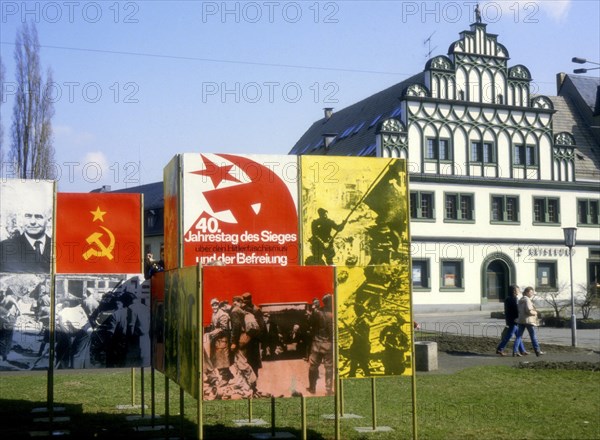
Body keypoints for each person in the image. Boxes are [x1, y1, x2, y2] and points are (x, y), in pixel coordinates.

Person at [0, 208, 52, 273]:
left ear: (49, 220)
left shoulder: (58, 247)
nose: (32, 222)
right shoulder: (3, 248)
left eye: (38, 217)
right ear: (22, 220)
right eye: (28, 216)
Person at [307, 293, 334, 395]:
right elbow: (332, 332)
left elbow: (309, 324)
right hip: (328, 344)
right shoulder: (332, 315)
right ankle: (328, 389)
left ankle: (312, 388)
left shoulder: (317, 313)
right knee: (329, 367)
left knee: (313, 366)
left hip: (317, 344)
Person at [513, 287, 545, 357]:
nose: (532, 294)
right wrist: (535, 313)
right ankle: (537, 350)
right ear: (527, 292)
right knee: (533, 336)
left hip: (521, 320)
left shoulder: (521, 299)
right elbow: (528, 310)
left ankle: (515, 351)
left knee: (518, 336)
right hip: (528, 321)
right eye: (531, 292)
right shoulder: (527, 300)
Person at [496, 285, 527, 356]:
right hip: (514, 320)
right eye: (517, 289)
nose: (519, 290)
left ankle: (522, 350)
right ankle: (500, 348)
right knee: (509, 335)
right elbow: (515, 310)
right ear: (514, 291)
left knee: (518, 335)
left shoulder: (508, 298)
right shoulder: (514, 298)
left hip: (510, 319)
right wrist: (518, 317)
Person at [241, 292, 266, 377]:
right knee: (245, 362)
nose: (245, 303)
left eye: (246, 300)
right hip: (245, 339)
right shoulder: (243, 308)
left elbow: (262, 326)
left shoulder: (256, 310)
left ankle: (254, 383)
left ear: (251, 300)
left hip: (253, 340)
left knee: (253, 362)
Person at [0, 288, 22, 362]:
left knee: (2, 337)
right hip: (8, 319)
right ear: (11, 293)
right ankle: (5, 353)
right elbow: (16, 304)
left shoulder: (3, 299)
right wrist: (20, 312)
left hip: (2, 318)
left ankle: (2, 353)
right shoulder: (11, 298)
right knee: (8, 337)